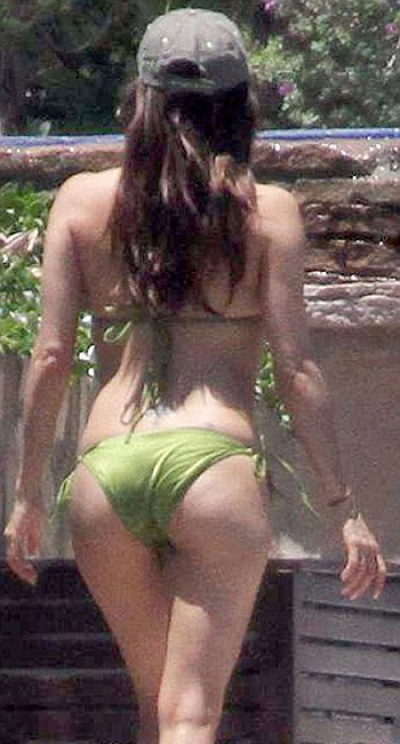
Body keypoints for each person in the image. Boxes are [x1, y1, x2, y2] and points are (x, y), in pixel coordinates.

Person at [5, 8, 386, 744]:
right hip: (214, 466)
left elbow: (51, 355)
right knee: (190, 717)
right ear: (240, 104)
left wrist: (27, 496)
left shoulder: (80, 201)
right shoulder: (267, 212)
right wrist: (342, 506)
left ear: (139, 99)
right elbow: (298, 368)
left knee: (158, 713)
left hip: (106, 470)